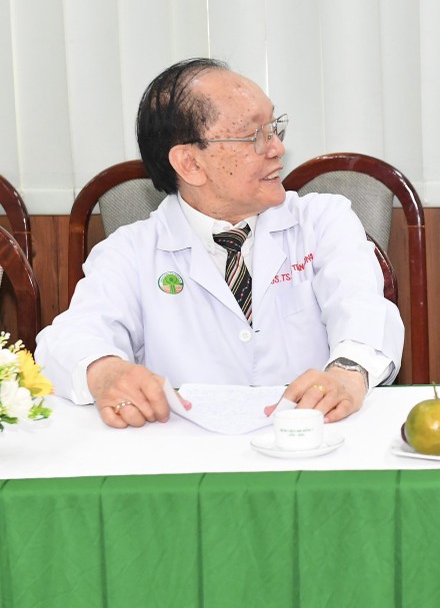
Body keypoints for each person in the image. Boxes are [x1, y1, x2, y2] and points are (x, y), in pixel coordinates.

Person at [37, 58, 404, 427]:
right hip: (184, 454)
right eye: (253, 136)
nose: (276, 147)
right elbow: (67, 341)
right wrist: (105, 372)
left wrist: (347, 372)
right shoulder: (131, 251)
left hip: (308, 439)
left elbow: (363, 309)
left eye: (274, 127)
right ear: (190, 164)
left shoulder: (323, 221)